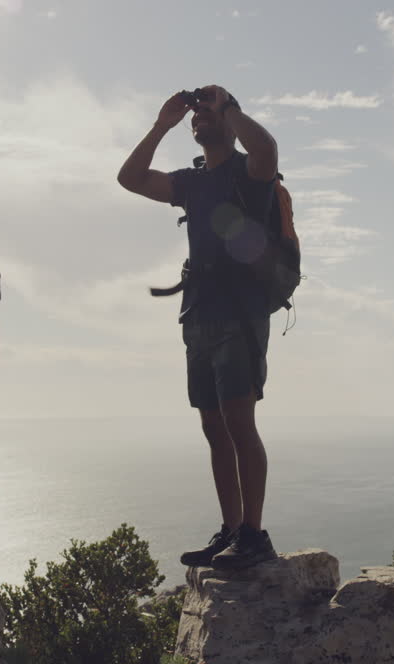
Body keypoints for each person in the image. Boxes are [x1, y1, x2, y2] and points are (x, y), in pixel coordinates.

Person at [116, 84, 280, 569]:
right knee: (213, 426)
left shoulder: (248, 175)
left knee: (238, 421)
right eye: (199, 112)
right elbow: (130, 178)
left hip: (239, 315)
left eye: (209, 109)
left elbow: (267, 150)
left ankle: (254, 535)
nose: (201, 115)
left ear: (229, 119)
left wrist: (229, 106)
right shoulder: (191, 182)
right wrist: (162, 124)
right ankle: (231, 531)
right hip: (199, 316)